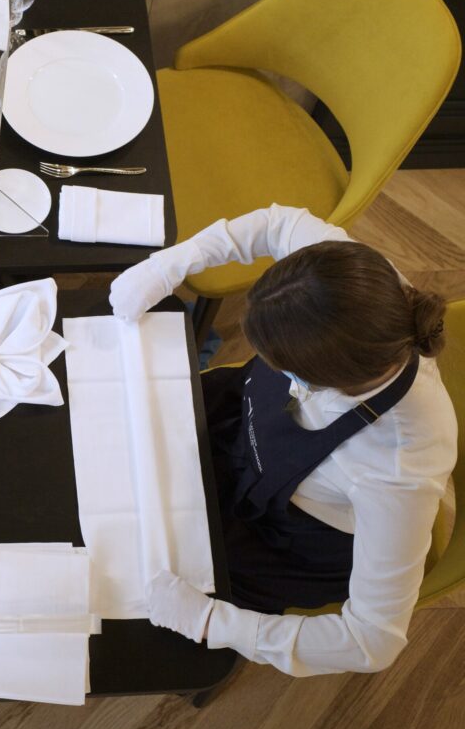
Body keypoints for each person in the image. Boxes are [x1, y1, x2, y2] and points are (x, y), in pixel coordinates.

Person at [110, 204, 457, 676]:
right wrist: (171, 263)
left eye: (281, 365)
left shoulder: (397, 467)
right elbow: (278, 223)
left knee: (136, 585)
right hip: (245, 430)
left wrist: (214, 621)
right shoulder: (358, 283)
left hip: (286, 533)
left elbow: (371, 642)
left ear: (321, 381)